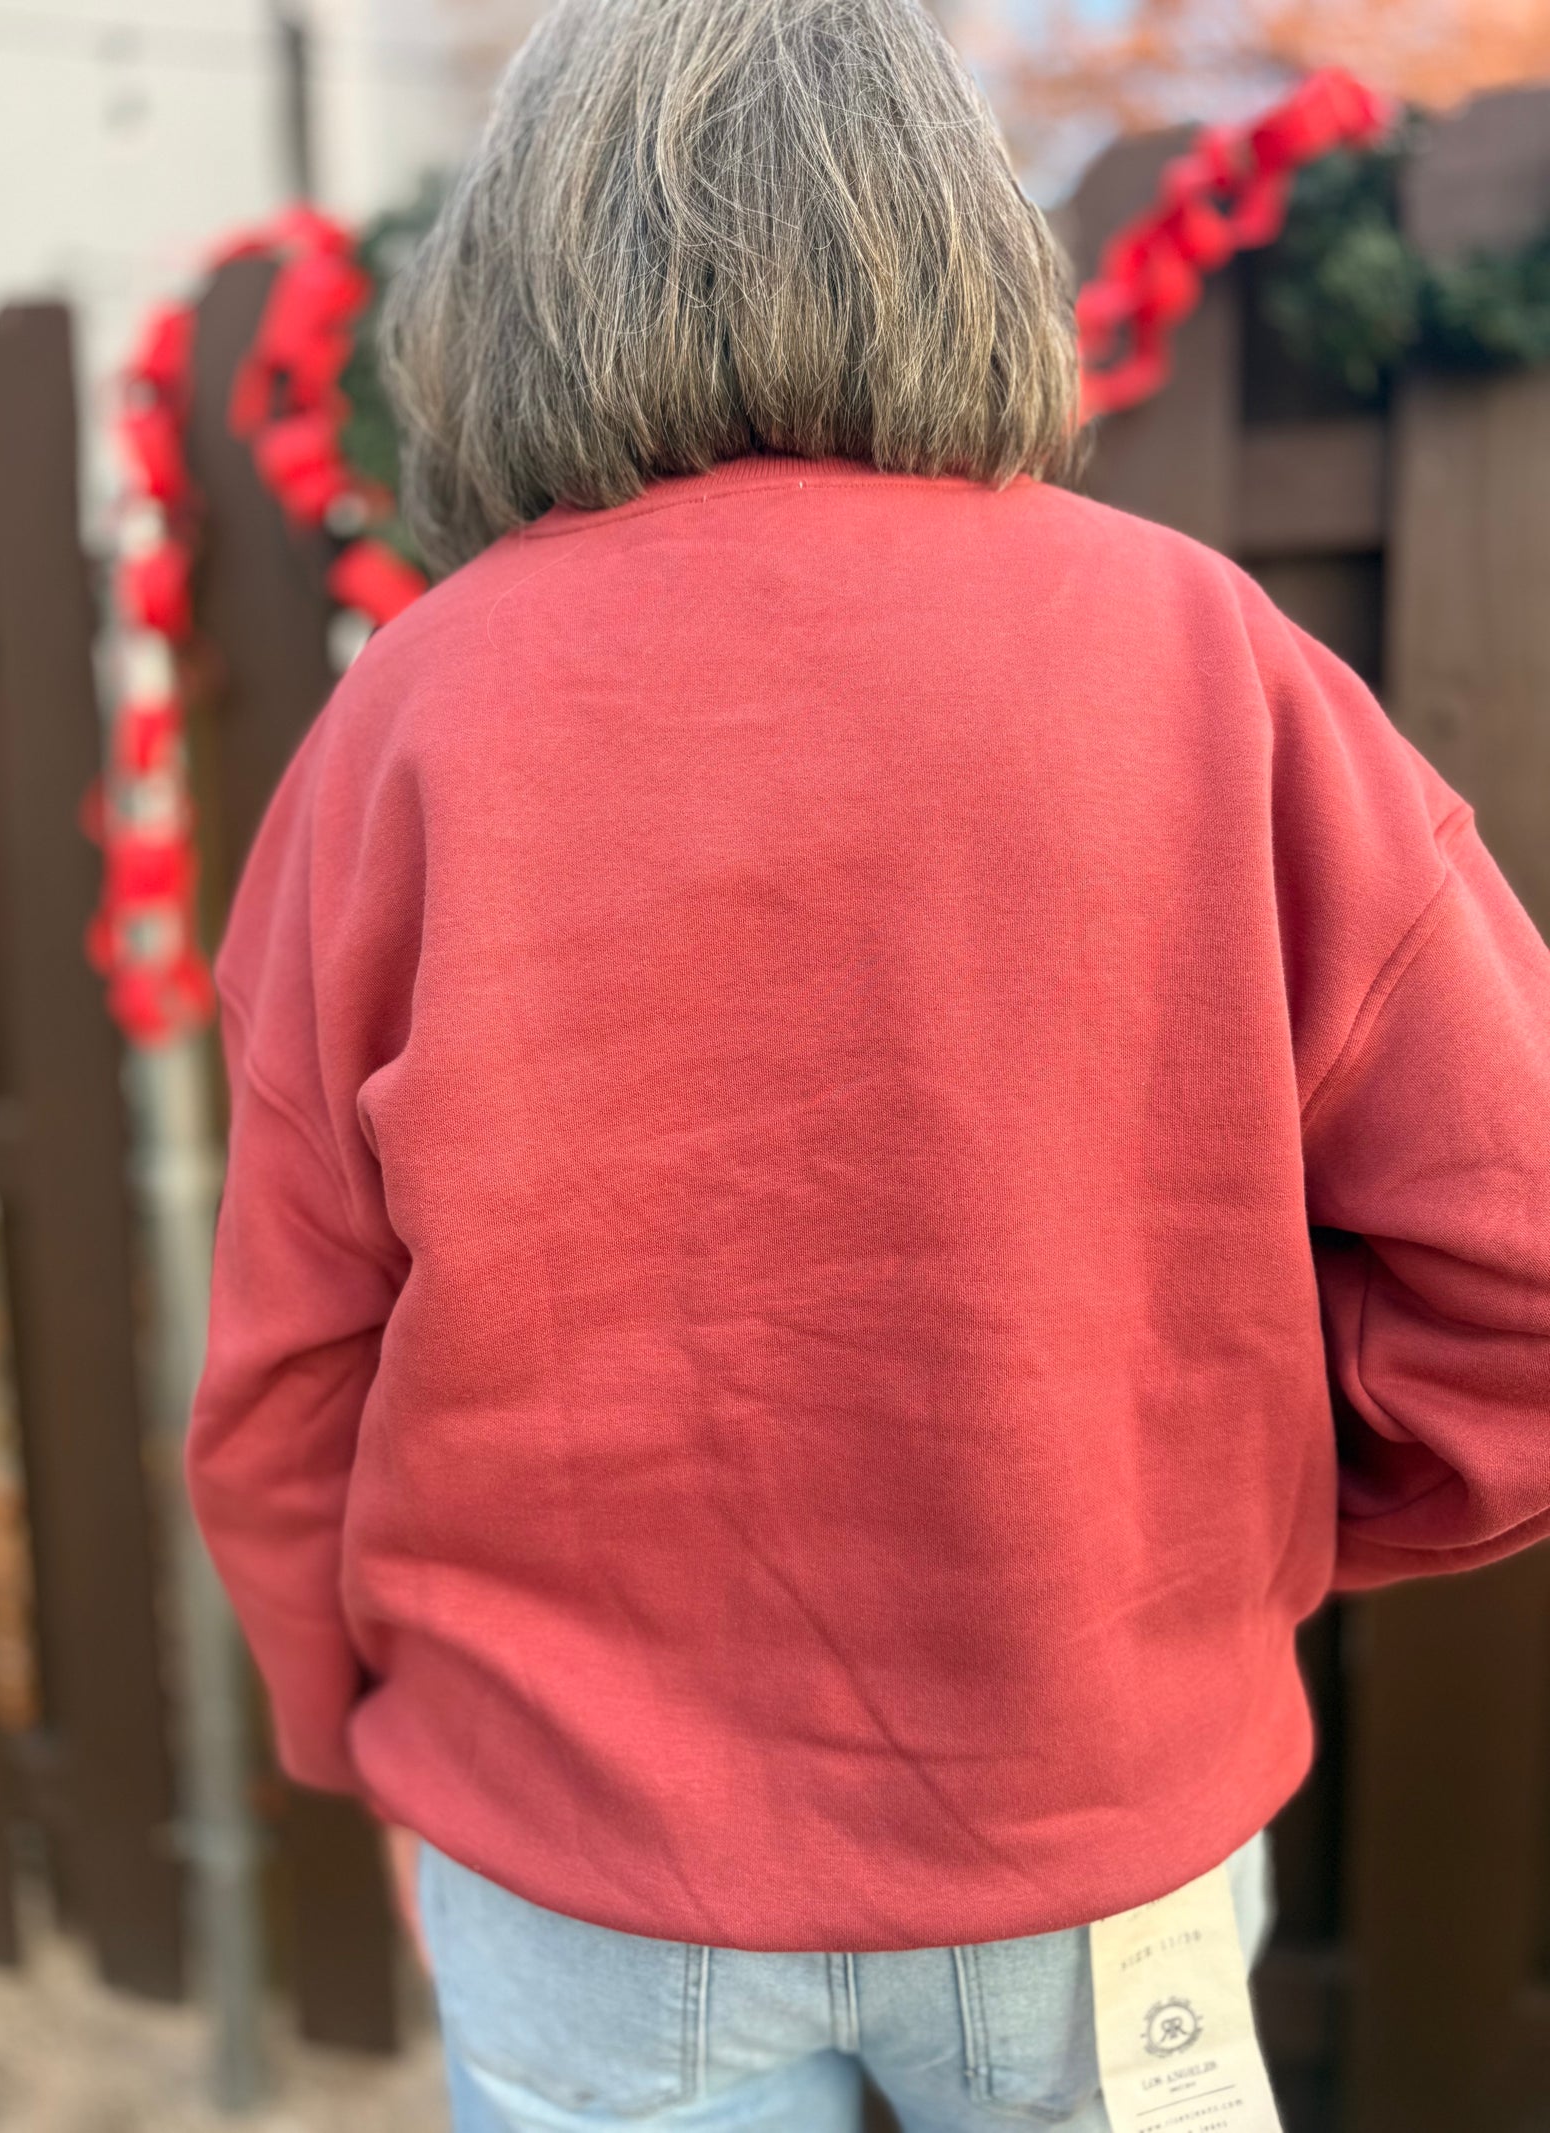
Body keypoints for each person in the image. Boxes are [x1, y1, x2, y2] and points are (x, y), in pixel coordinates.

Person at [185, 0, 1550, 2124]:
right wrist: (1207, 1542)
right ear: (957, 238)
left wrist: (346, 1722)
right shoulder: (1206, 662)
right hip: (1106, 1828)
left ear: (519, 281)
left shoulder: (408, 725)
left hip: (575, 1852)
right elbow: (1518, 1272)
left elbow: (286, 1371)